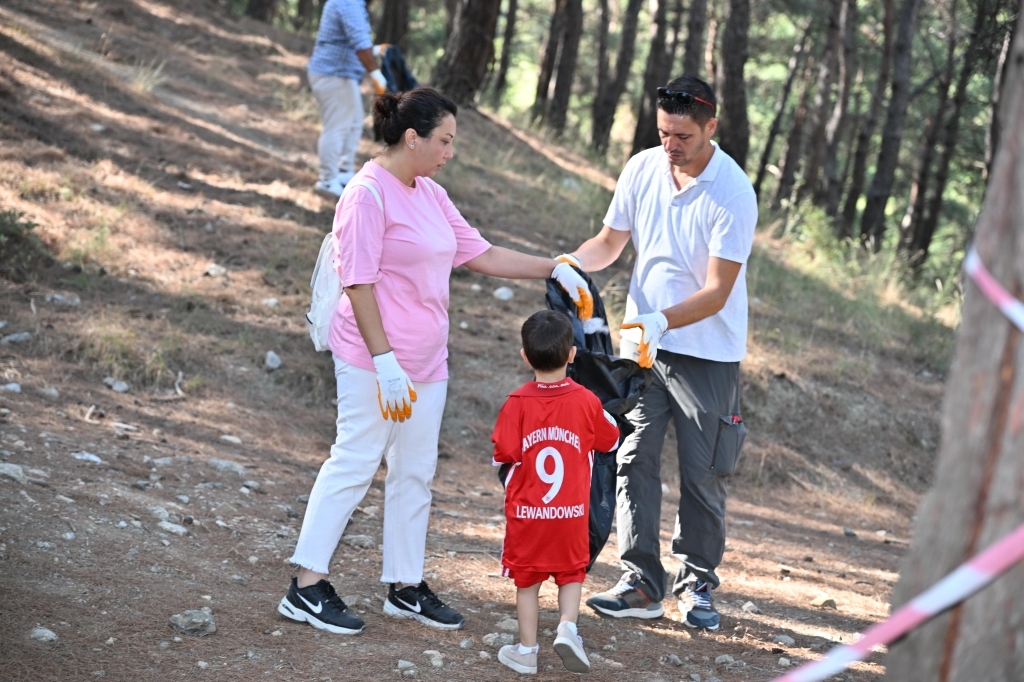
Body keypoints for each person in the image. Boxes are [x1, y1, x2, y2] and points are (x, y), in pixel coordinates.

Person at [278, 88, 595, 636]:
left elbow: (481, 253)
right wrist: (385, 363)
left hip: (427, 361)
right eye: (444, 141)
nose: (450, 151)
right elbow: (356, 282)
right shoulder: (366, 195)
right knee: (355, 461)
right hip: (374, 359)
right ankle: (305, 586)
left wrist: (555, 268)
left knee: (415, 473)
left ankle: (404, 586)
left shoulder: (428, 192)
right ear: (412, 138)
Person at [558, 75, 755, 630]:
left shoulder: (732, 191)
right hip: (642, 349)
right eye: (664, 131)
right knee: (631, 457)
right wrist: (567, 266)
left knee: (703, 474)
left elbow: (718, 291)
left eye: (684, 136)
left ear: (711, 128)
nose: (671, 144)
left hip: (706, 354)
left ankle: (698, 588)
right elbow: (609, 243)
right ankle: (642, 581)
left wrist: (661, 318)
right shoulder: (643, 167)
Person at [492, 311, 620, 675]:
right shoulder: (586, 401)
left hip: (528, 517)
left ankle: (527, 651)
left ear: (525, 356)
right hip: (571, 516)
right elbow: (609, 440)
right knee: (571, 575)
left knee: (527, 584)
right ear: (572, 354)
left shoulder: (516, 402)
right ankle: (567, 627)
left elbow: (503, 452)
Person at [307, 0, 389, 197]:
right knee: (337, 128)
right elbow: (360, 45)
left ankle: (343, 173)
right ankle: (327, 181)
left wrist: (376, 50)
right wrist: (376, 74)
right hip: (334, 74)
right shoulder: (348, 3)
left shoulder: (354, 4)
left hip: (342, 74)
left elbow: (347, 40)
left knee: (353, 124)